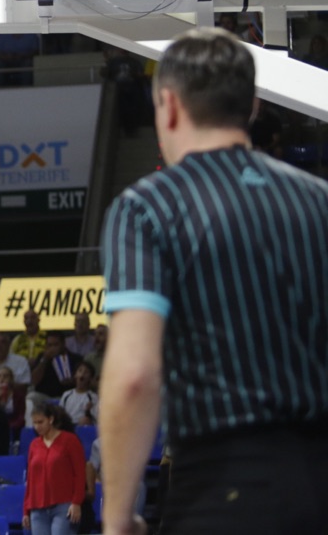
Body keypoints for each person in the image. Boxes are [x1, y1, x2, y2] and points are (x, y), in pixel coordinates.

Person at [99, 27, 328, 535]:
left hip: (221, 489)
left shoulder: (148, 209)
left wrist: (117, 518)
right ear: (252, 107)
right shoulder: (318, 201)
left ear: (169, 107)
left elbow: (135, 375)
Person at [22, 404, 84, 535]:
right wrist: (26, 510)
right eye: (34, 423)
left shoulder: (70, 440)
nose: (37, 427)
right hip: (37, 508)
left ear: (51, 419)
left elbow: (79, 474)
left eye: (40, 422)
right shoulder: (34, 445)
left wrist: (76, 502)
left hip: (63, 505)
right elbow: (31, 479)